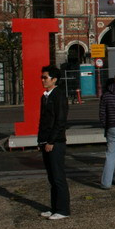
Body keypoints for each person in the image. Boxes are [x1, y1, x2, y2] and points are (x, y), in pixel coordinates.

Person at [37, 65, 70, 220]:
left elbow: (60, 121)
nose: (43, 80)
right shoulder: (45, 96)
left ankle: (63, 209)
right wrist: (41, 140)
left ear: (54, 79)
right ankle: (55, 207)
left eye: (45, 77)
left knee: (58, 176)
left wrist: (51, 140)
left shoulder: (59, 96)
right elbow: (43, 120)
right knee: (52, 177)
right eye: (42, 77)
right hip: (46, 140)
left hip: (55, 142)